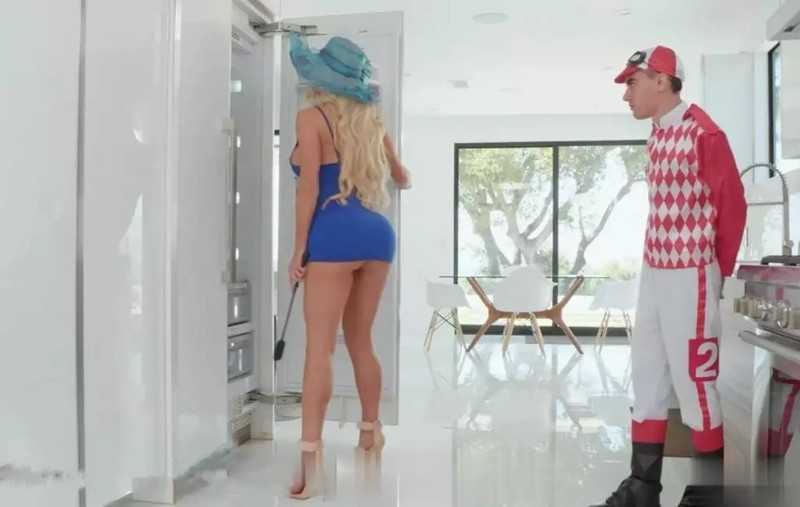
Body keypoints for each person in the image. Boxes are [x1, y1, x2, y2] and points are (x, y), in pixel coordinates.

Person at [593, 46, 747, 507]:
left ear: (661, 80)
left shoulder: (705, 134)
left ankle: (708, 495)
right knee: (647, 378)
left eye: (632, 83)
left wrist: (715, 272)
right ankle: (643, 488)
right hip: (655, 270)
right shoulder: (658, 134)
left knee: (695, 384)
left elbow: (732, 207)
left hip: (691, 273)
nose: (626, 94)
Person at [285, 33, 411, 500]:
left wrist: (298, 249)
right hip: (377, 235)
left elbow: (307, 190)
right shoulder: (371, 120)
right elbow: (402, 177)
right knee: (361, 340)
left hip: (333, 235)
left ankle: (310, 462)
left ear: (321, 79)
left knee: (319, 349)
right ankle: (370, 433)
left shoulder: (311, 118)